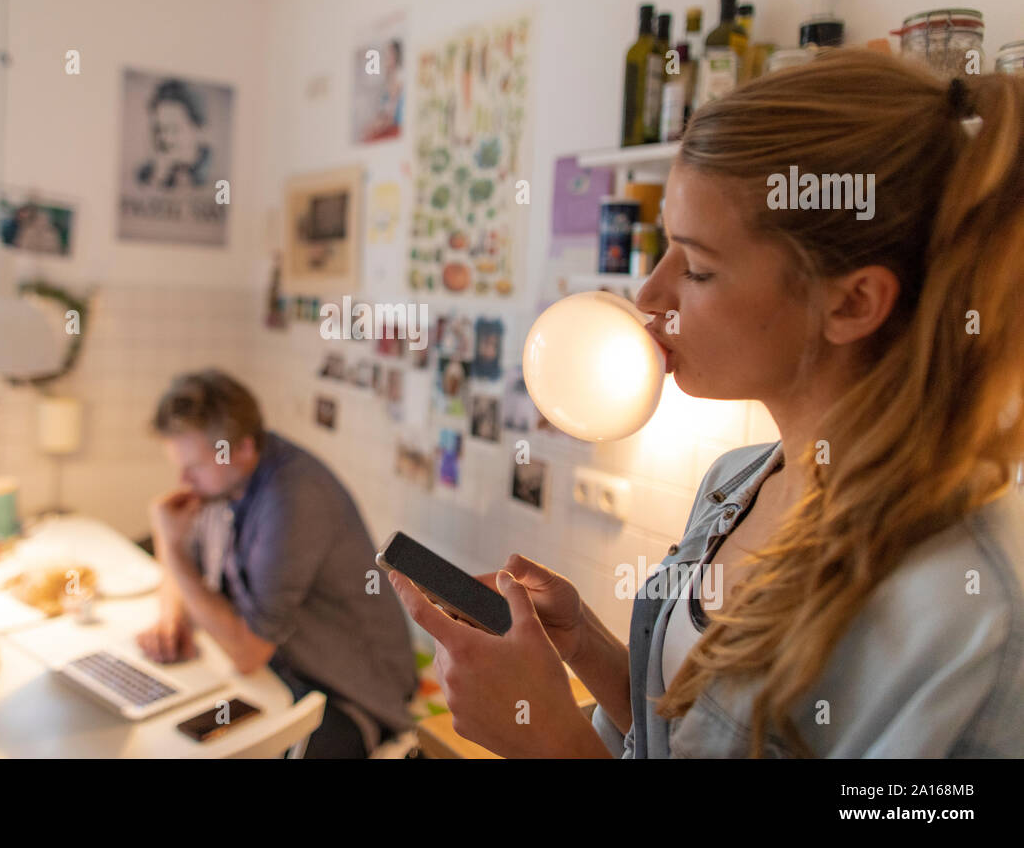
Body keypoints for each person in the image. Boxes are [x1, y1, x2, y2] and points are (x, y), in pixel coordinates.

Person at [390, 49, 1024, 757]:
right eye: (666, 249)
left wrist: (548, 742)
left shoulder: (964, 618)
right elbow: (688, 738)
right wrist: (587, 646)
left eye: (697, 267)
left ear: (852, 302)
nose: (650, 297)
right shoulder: (738, 482)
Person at [140, 369, 418, 758]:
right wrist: (170, 616)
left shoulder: (292, 501)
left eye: (195, 466)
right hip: (281, 668)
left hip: (351, 691)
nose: (183, 479)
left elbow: (247, 653)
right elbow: (190, 565)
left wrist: (169, 548)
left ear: (244, 448)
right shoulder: (222, 484)